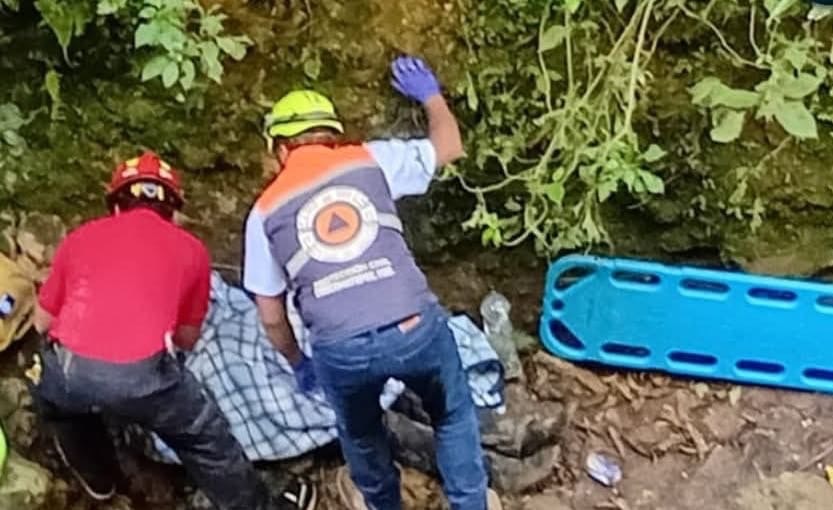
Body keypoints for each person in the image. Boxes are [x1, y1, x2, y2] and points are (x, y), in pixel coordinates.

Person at [243, 56, 496, 510]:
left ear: (280, 148)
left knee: (360, 434)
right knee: (453, 415)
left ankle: (383, 503)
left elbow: (271, 317)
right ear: (333, 136)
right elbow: (450, 145)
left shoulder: (263, 212)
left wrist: (301, 364)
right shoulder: (370, 159)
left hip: (342, 348)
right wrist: (431, 97)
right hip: (414, 325)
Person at [30, 152, 317, 510]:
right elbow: (186, 339)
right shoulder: (191, 250)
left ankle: (101, 485)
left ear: (116, 205)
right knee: (206, 440)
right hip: (142, 377)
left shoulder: (81, 237)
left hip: (70, 370)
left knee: (61, 410)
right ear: (173, 211)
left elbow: (42, 322)